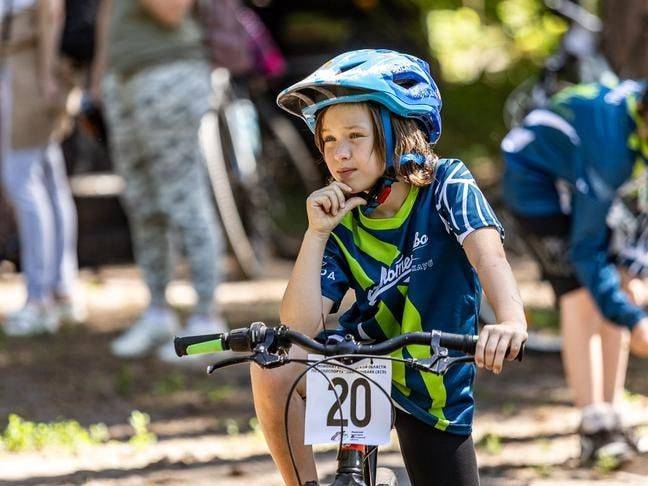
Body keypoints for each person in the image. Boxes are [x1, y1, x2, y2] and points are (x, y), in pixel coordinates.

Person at [251, 49, 528, 486]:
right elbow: (299, 324)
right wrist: (316, 234)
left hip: (431, 376)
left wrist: (510, 320)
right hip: (362, 366)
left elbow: (488, 256)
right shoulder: (340, 216)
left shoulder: (447, 185)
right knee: (274, 361)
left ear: (397, 132)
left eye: (355, 136)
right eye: (328, 141)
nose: (339, 153)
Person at [501, 80, 648, 464]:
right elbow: (585, 252)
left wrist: (636, 277)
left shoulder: (637, 106)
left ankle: (612, 412)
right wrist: (633, 320)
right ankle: (593, 424)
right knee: (581, 295)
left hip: (575, 175)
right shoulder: (611, 150)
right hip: (534, 182)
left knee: (618, 284)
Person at [91, 0, 226, 360]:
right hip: (122, 79)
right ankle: (158, 312)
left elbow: (173, 10)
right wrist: (99, 79)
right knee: (141, 202)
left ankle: (207, 319)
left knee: (183, 199)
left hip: (169, 74)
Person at [0, 0, 83, 336]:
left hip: (30, 67)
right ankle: (61, 290)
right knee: (49, 181)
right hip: (25, 65)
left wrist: (46, 73)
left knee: (22, 180)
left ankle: (40, 299)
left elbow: (51, 8)